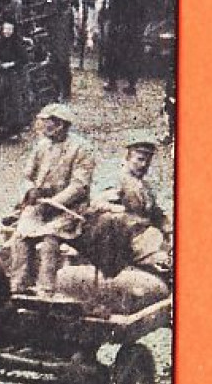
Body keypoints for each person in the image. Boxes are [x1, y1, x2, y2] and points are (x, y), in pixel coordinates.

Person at [66, 130, 172, 314]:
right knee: (164, 263)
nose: (143, 164)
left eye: (147, 160)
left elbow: (157, 214)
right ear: (127, 156)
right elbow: (98, 203)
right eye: (139, 158)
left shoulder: (145, 186)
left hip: (149, 235)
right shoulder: (116, 179)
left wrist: (169, 230)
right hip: (128, 237)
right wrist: (115, 208)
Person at [4, 103, 96, 295]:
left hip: (69, 210)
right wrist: (30, 191)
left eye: (48, 123)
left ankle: (46, 289)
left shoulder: (81, 149)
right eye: (43, 122)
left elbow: (80, 185)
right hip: (40, 207)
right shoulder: (42, 146)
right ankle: (18, 285)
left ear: (61, 124)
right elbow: (26, 175)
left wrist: (55, 202)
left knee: (49, 239)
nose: (44, 127)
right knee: (20, 237)